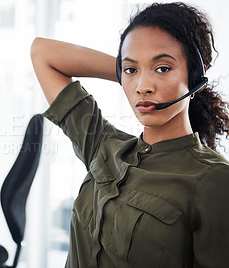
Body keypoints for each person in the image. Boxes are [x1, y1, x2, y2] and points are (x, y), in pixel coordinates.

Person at [31, 2, 229, 267]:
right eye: (132, 70)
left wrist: (135, 70)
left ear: (194, 76)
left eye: (162, 68)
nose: (143, 87)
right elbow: (42, 53)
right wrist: (124, 71)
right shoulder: (103, 145)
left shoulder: (214, 180)